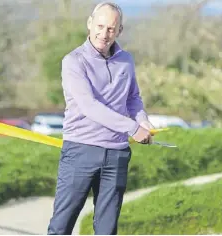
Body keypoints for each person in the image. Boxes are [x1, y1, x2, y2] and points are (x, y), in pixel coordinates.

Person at [47, 2, 154, 235]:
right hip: (81, 151)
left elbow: (133, 97)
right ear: (89, 23)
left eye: (110, 29)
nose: (103, 34)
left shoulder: (126, 60)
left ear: (119, 31)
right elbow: (89, 106)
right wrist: (132, 127)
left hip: (116, 153)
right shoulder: (73, 61)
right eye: (100, 26)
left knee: (107, 229)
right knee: (61, 226)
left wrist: (143, 120)